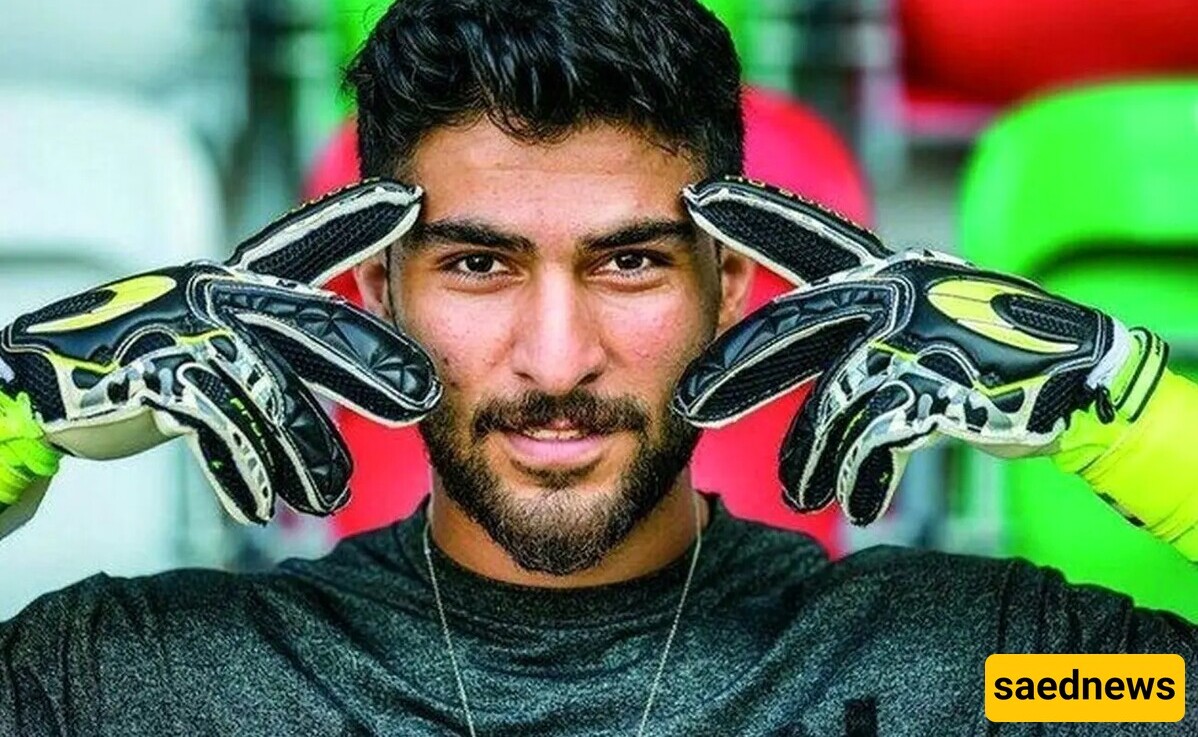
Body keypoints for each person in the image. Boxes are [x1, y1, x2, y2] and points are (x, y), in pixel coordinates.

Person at [0, 1, 1195, 734]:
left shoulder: (988, 676)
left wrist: (1120, 399)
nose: (556, 356)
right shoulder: (142, 684)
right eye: (477, 265)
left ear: (730, 287)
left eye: (629, 262)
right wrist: (14, 414)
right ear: (375, 293)